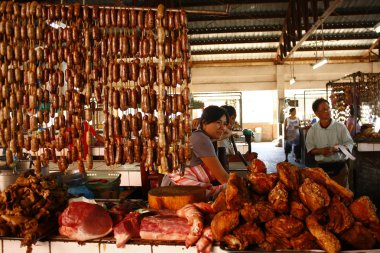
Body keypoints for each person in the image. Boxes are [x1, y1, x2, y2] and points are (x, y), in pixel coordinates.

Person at [165, 105, 230, 200]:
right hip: (178, 190)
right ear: (204, 123)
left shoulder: (200, 135)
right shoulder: (201, 139)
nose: (223, 128)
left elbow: (227, 132)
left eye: (224, 124)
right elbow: (223, 178)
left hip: (185, 188)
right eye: (218, 122)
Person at [305, 98, 354, 187]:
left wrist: (338, 148)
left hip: (340, 168)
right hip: (321, 170)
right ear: (316, 113)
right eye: (324, 109)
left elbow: (350, 143)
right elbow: (310, 149)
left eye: (328, 108)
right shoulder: (312, 130)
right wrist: (321, 151)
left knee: (342, 196)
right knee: (324, 197)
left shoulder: (340, 127)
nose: (327, 111)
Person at [217, 105, 237, 171]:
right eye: (233, 118)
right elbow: (225, 158)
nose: (234, 122)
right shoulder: (220, 133)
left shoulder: (226, 132)